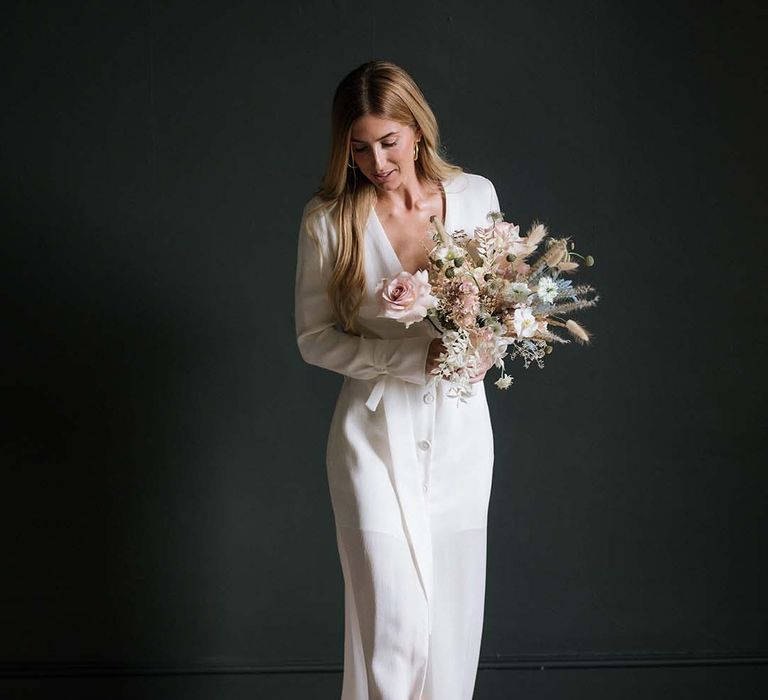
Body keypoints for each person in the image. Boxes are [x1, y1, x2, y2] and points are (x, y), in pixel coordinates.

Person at [293, 60, 501, 700]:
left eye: (387, 141)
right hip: (372, 434)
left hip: (461, 432)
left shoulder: (474, 197)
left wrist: (485, 344)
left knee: (450, 626)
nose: (376, 161)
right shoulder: (329, 219)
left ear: (417, 128)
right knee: (393, 623)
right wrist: (407, 361)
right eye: (358, 147)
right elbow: (313, 339)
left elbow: (499, 301)